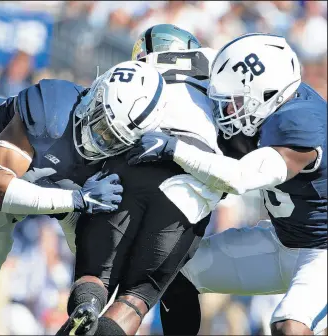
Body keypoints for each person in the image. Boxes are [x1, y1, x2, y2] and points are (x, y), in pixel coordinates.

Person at [128, 33, 327, 335]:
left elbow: (239, 178)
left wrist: (175, 149)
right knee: (176, 273)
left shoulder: (299, 123)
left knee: (290, 326)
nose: (227, 112)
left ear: (267, 93)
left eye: (235, 102)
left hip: (323, 253)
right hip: (283, 240)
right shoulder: (273, 106)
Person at [56, 26, 224, 336]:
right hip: (189, 180)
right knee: (137, 298)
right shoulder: (219, 68)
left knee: (94, 276)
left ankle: (89, 306)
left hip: (130, 161)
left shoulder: (132, 70)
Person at [0, 60, 165, 295]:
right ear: (95, 95)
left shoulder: (114, 167)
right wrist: (76, 200)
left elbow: (84, 245)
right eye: (101, 122)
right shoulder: (53, 110)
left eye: (114, 139)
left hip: (18, 197)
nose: (100, 138)